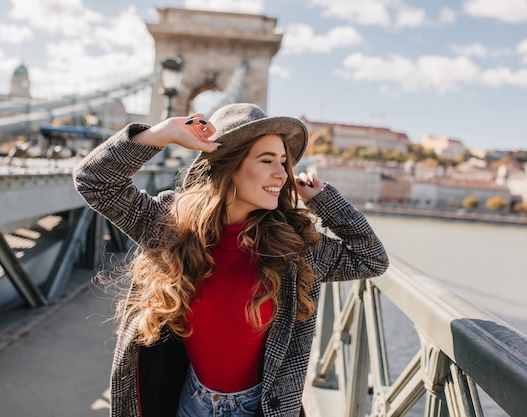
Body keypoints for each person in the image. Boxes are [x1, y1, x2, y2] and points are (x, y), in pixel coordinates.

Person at [73, 102, 389, 417]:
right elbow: (94, 181)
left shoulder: (294, 246)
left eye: (283, 162)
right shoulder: (171, 224)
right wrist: (161, 134)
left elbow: (371, 258)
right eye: (267, 161)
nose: (282, 174)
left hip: (261, 408)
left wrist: (324, 200)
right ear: (229, 165)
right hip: (188, 400)